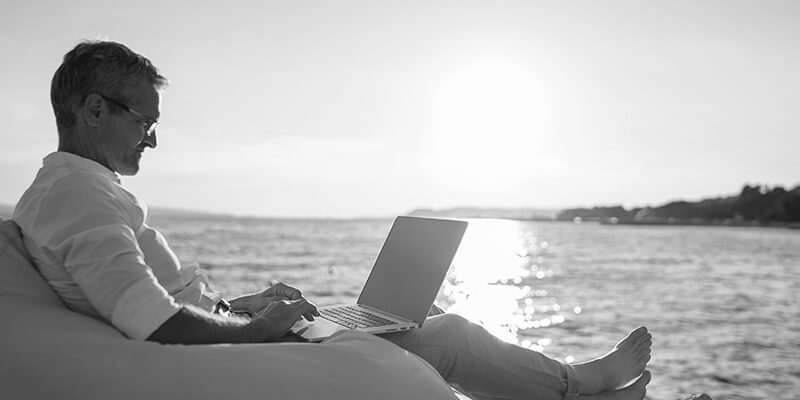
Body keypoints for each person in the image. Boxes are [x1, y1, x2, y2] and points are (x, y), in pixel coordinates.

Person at [14, 40, 652, 400]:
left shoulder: (79, 189)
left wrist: (243, 304)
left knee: (431, 330)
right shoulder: (76, 194)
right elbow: (147, 318)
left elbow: (147, 298)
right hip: (234, 352)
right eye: (144, 121)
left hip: (231, 327)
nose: (152, 139)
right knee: (449, 336)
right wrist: (256, 332)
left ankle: (576, 389)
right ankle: (579, 385)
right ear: (94, 108)